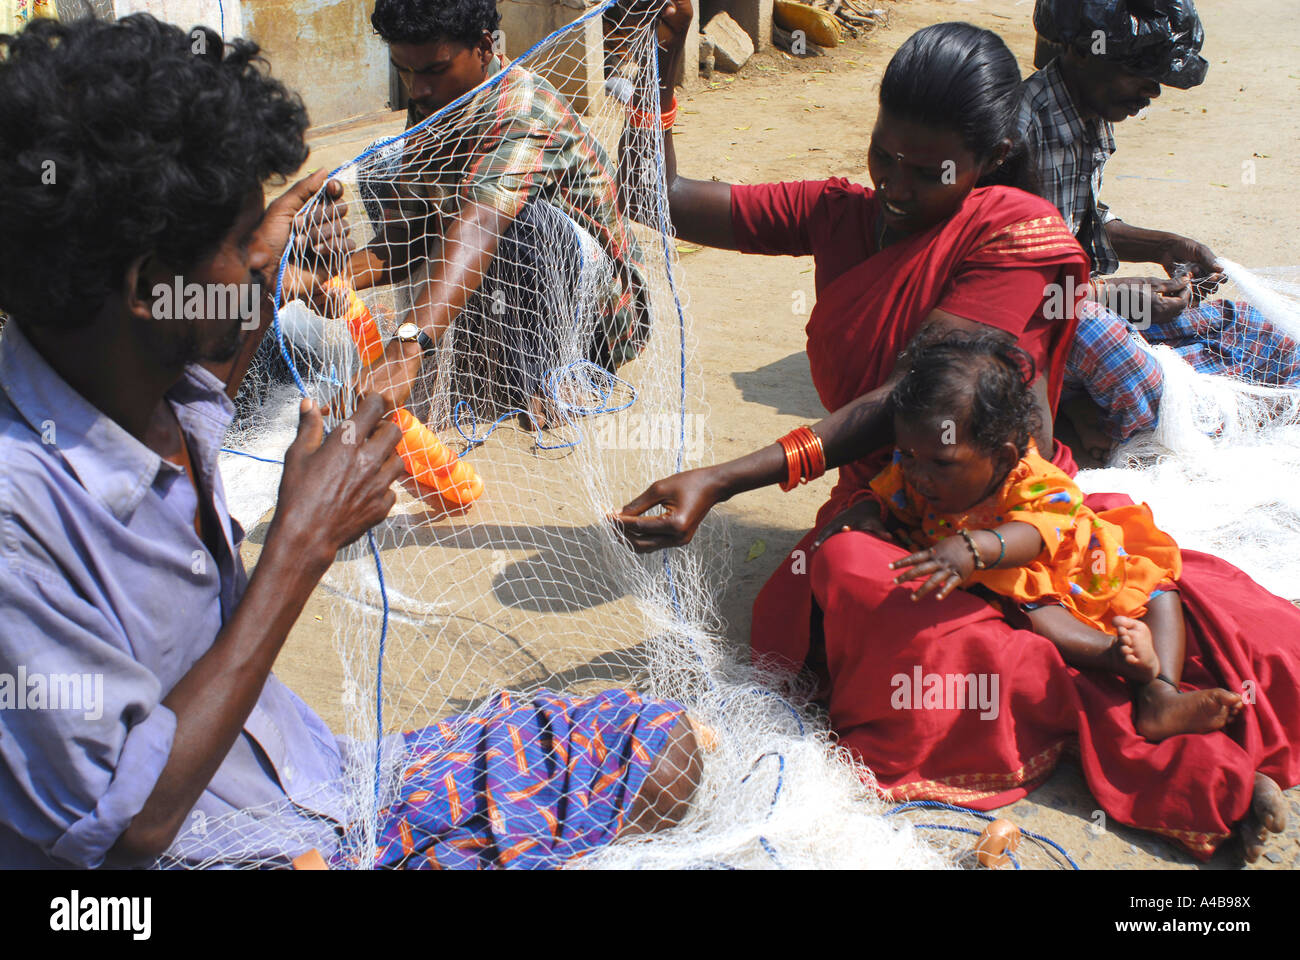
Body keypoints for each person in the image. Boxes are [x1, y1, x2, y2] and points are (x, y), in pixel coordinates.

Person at [0, 13, 697, 869]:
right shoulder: (19, 521)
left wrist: (293, 270)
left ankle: (552, 381)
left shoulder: (144, 384)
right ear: (151, 290)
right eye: (241, 246)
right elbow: (131, 827)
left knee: (659, 750)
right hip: (240, 848)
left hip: (324, 786)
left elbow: (458, 236)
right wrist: (300, 545)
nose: (262, 264)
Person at [614, 5, 1297, 862]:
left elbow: (914, 397)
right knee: (847, 579)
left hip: (999, 494)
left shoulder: (1013, 236)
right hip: (901, 497)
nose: (896, 187)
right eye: (883, 155)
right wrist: (652, 68)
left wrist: (724, 479)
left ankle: (1171, 744)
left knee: (1030, 619)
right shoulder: (839, 213)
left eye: (927, 169)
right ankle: (1106, 683)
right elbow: (657, 197)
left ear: (990, 162)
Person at [868, 330, 1242, 742]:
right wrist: (862, 512)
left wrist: (976, 547)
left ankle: (1161, 693)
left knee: (1158, 588)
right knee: (1030, 608)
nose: (918, 475)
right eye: (908, 455)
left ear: (1004, 458)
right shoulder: (917, 471)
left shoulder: (1037, 480)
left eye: (940, 462)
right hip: (1025, 584)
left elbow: (1035, 533)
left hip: (1079, 561)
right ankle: (1111, 655)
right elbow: (884, 498)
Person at [305, 0, 651, 428]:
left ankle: (553, 373)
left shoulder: (523, 107)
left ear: (484, 49)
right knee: (383, 168)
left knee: (527, 221)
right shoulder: (435, 101)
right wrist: (324, 277)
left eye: (433, 70)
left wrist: (404, 349)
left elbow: (479, 224)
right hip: (500, 273)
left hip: (597, 308)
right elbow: (405, 236)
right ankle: (476, 348)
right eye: (404, 70)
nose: (417, 90)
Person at [1021, 0, 1300, 458]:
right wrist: (1117, 297)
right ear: (1084, 51)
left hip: (1076, 306)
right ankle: (1142, 423)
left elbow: (1081, 220)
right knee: (1102, 336)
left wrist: (1166, 245)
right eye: (1139, 71)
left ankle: (1102, 410)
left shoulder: (1085, 113)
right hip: (1036, 329)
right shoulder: (1017, 133)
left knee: (1242, 328)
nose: (1152, 92)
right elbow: (1013, 287)